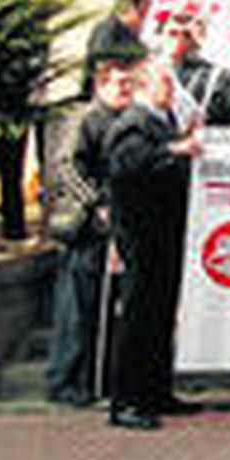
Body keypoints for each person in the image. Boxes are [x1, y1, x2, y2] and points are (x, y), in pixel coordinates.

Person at [103, 56, 203, 430]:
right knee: (138, 316)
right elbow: (129, 167)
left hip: (164, 233)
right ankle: (127, 400)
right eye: (164, 83)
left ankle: (156, 390)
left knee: (160, 315)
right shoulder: (133, 123)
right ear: (144, 86)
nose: (171, 90)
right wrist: (175, 151)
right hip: (142, 234)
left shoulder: (163, 123)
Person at [46, 33, 142, 407]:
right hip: (85, 229)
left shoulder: (120, 120)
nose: (126, 89)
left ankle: (92, 382)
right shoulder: (86, 119)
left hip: (112, 226)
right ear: (101, 83)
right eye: (120, 83)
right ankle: (66, 383)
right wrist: (96, 203)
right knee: (77, 309)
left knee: (101, 308)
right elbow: (67, 167)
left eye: (130, 84)